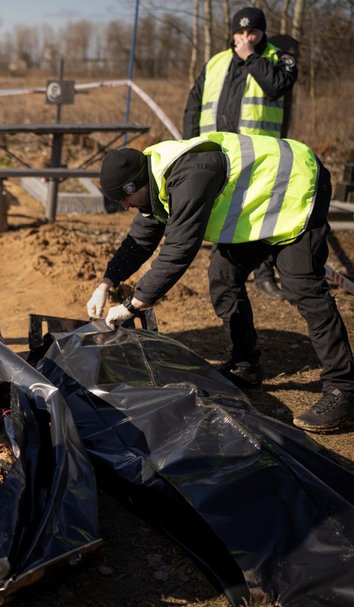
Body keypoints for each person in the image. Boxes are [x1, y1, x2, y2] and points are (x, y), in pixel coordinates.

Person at [86, 134, 354, 434]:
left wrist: (132, 305)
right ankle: (245, 366)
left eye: (124, 199)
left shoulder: (189, 176)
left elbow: (179, 250)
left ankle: (343, 390)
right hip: (258, 205)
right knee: (223, 278)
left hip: (295, 186)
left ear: (135, 184)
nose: (124, 206)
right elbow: (139, 241)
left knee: (304, 287)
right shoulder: (154, 183)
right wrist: (106, 282)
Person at [183, 6, 298, 300]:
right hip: (218, 153)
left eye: (253, 32)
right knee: (221, 210)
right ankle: (227, 270)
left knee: (262, 213)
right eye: (240, 32)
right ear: (232, 32)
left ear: (262, 33)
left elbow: (275, 87)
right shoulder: (216, 62)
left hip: (261, 155)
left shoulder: (279, 58)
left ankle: (264, 275)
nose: (246, 37)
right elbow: (194, 105)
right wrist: (190, 146)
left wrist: (251, 57)